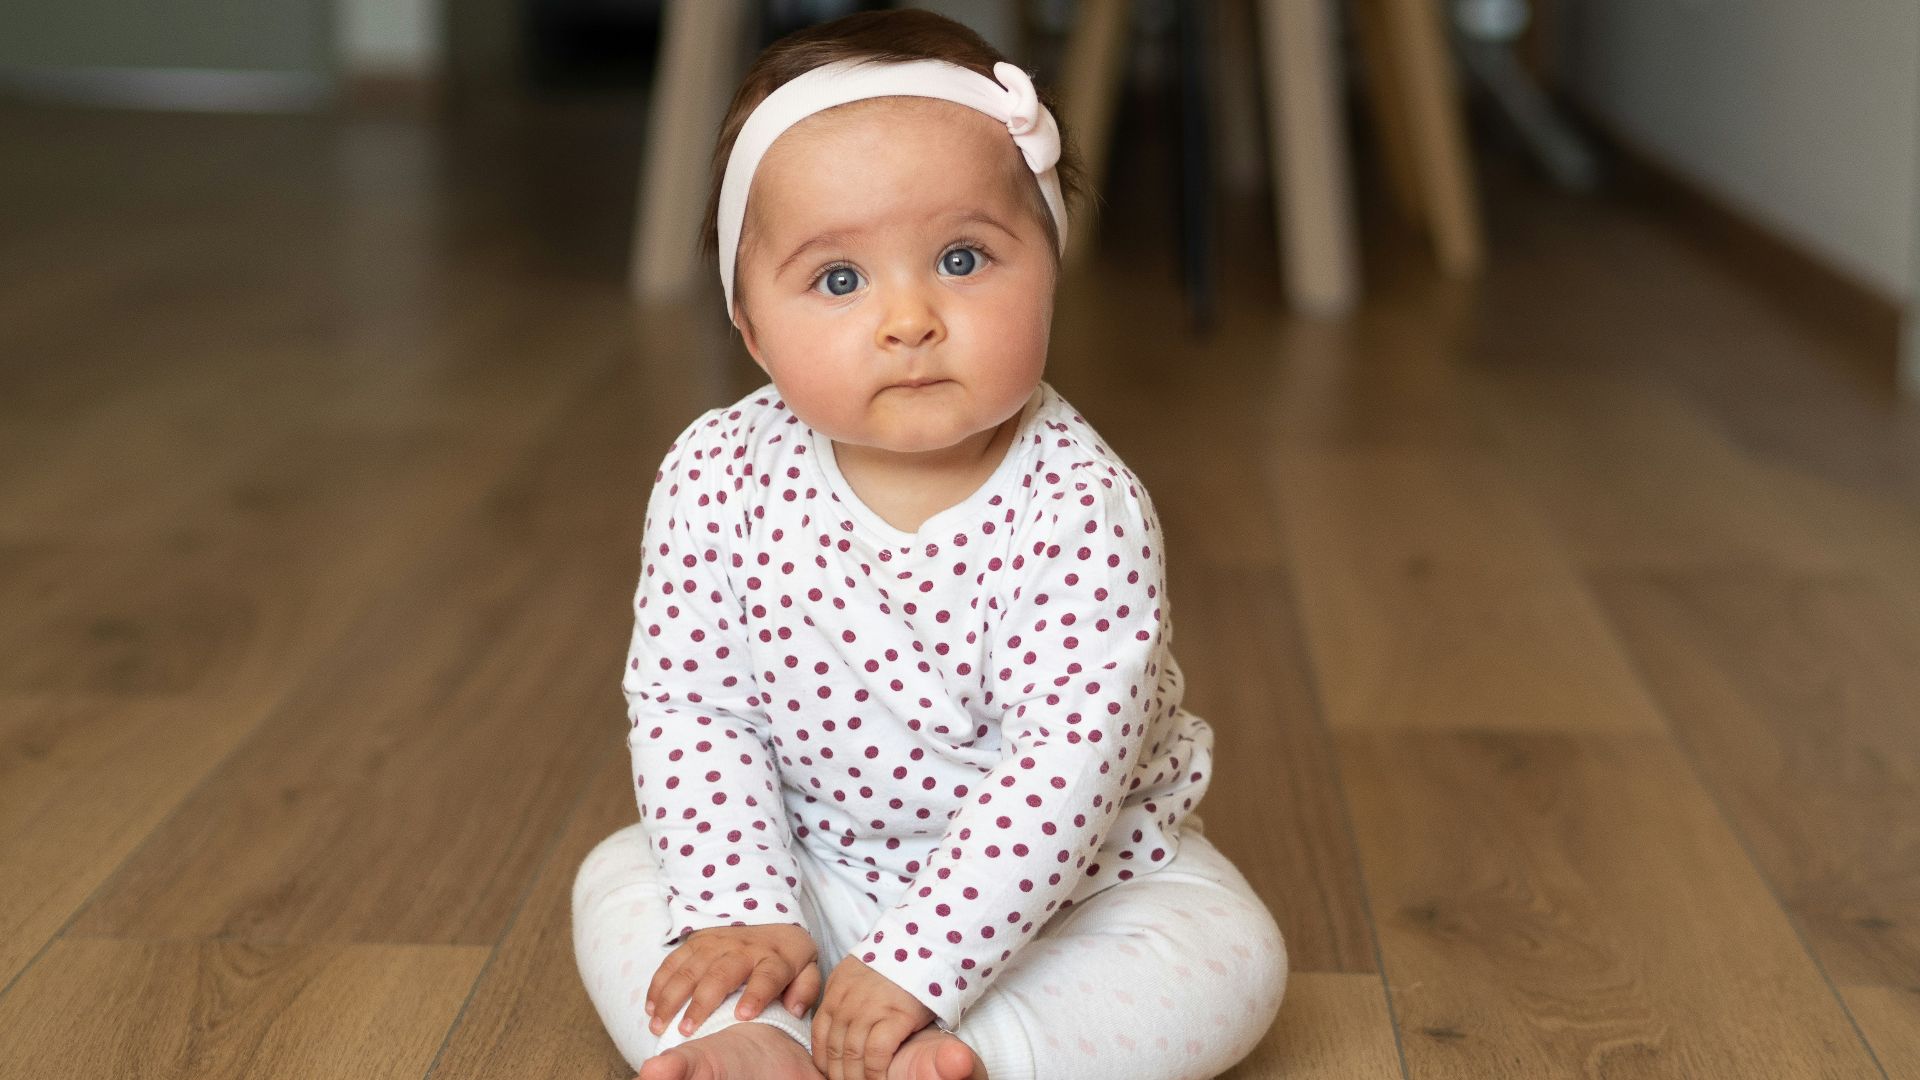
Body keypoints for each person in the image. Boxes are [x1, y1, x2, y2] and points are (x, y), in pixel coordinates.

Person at [572, 10, 1287, 1080]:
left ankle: (976, 1052)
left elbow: (1067, 771)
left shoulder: (1082, 504)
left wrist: (925, 961)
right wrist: (745, 911)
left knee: (1232, 955)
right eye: (839, 279)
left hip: (1068, 893)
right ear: (751, 327)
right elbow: (693, 705)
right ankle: (752, 1040)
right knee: (621, 878)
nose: (909, 318)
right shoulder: (717, 474)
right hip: (806, 865)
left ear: (1049, 267)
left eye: (962, 258)